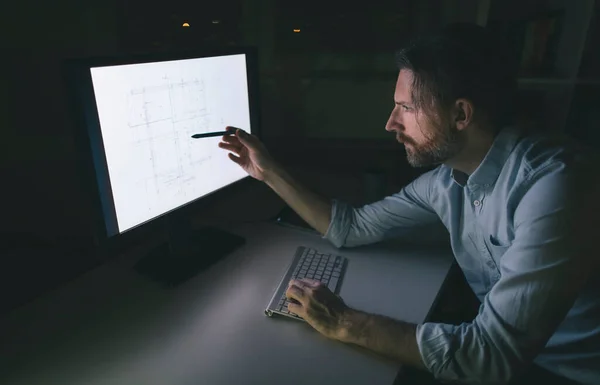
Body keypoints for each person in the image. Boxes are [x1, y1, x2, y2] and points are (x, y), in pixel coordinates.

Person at [217, 23, 600, 385]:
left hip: (562, 372)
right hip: (509, 353)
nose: (390, 123)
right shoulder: (448, 180)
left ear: (461, 114)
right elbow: (351, 228)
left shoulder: (554, 187)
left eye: (407, 108)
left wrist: (344, 323)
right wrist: (266, 171)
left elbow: (491, 356)